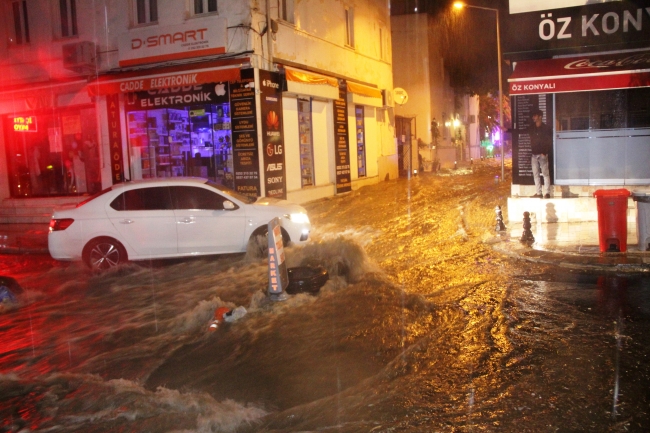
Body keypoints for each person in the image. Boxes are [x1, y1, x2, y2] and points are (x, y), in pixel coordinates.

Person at [529, 108, 552, 198]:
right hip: (534, 155)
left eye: (535, 115)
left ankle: (547, 193)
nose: (533, 117)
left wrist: (545, 152)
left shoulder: (546, 128)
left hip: (542, 155)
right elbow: (520, 131)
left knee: (545, 174)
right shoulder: (532, 128)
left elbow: (549, 141)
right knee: (536, 174)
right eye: (533, 116)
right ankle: (539, 193)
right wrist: (507, 130)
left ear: (540, 117)